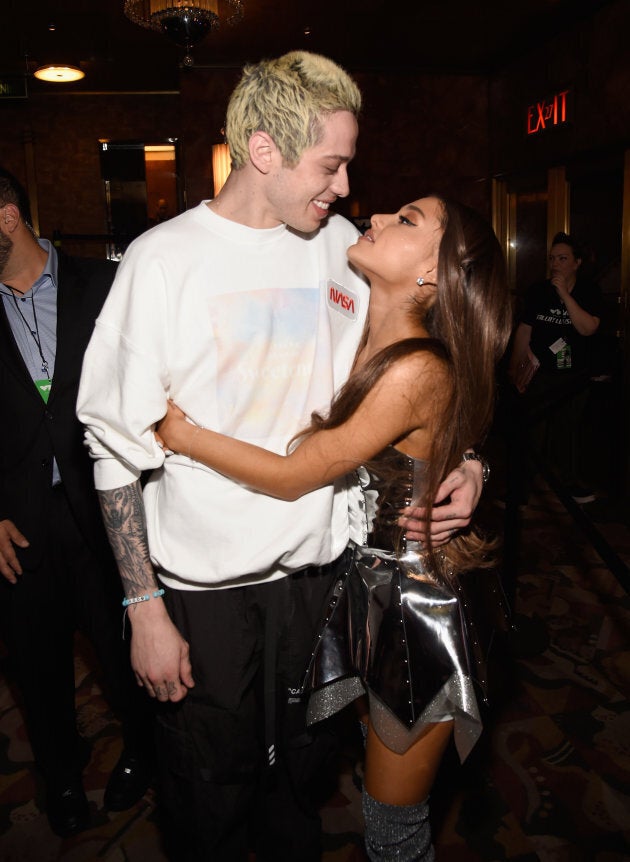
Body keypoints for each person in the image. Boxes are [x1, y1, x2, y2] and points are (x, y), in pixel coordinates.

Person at [76, 52, 486, 861]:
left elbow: (427, 369)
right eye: (330, 164)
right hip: (207, 596)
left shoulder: (341, 248)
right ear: (265, 153)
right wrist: (143, 609)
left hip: (322, 591)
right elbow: (115, 450)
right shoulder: (164, 260)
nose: (342, 187)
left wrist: (468, 463)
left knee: (301, 791)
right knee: (209, 801)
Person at [155, 194, 512, 860]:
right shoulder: (354, 321)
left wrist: (181, 434)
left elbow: (298, 473)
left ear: (433, 275)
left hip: (413, 610)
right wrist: (467, 458)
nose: (373, 217)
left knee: (393, 830)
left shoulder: (412, 366)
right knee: (361, 782)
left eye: (406, 220)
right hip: (360, 586)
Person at [0, 168, 154, 837]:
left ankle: (145, 752)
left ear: (7, 217)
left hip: (106, 517)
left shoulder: (109, 283)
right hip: (18, 528)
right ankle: (61, 775)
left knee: (125, 657)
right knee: (35, 667)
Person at [507, 232, 603, 504]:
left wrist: (563, 294)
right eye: (552, 259)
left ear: (577, 263)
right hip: (540, 371)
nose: (556, 264)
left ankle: (569, 484)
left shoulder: (588, 291)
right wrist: (514, 368)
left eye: (563, 259)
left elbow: (588, 328)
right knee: (532, 430)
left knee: (567, 431)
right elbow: (525, 330)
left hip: (573, 374)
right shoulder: (538, 291)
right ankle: (522, 488)